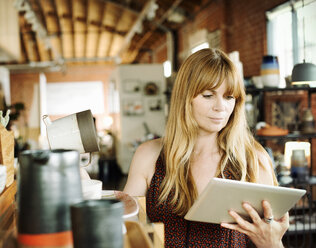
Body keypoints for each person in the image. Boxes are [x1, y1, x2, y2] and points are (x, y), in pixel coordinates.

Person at [123, 48, 289, 247]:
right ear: (186, 98)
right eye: (208, 95)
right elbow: (124, 230)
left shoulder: (253, 160)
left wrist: (272, 242)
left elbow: (272, 240)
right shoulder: (149, 156)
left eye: (229, 97)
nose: (221, 107)